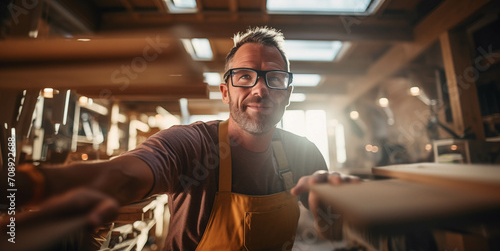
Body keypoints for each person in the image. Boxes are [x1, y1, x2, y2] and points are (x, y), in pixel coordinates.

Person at [2, 27, 358, 250]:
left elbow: (331, 231)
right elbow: (124, 176)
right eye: (245, 77)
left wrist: (343, 208)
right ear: (225, 90)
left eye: (274, 78)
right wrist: (29, 183)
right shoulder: (193, 145)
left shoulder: (304, 153)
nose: (260, 89)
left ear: (288, 92)